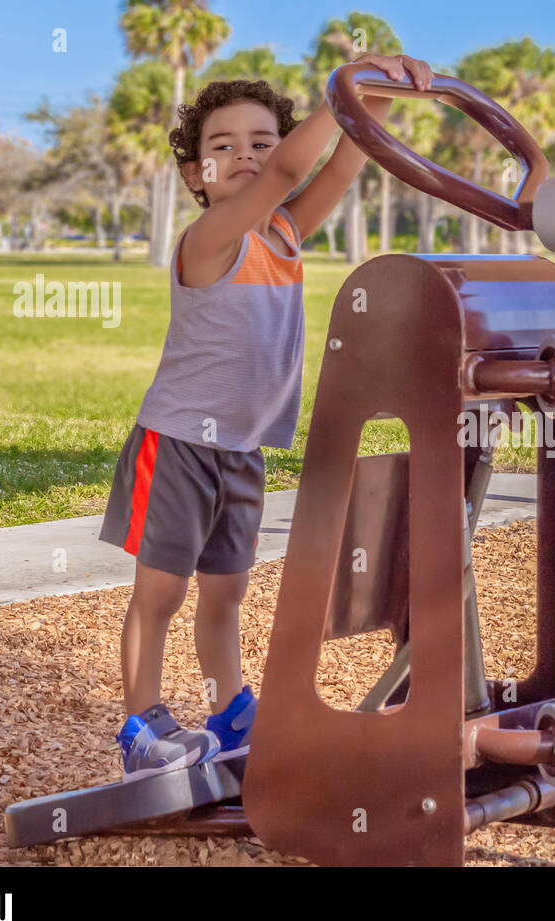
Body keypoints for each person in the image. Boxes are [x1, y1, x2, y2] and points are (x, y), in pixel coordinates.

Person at [97, 53, 434, 780]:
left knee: (227, 592)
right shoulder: (209, 239)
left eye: (260, 140)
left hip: (241, 449)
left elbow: (340, 169)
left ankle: (229, 711)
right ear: (195, 175)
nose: (246, 157)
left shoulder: (281, 234)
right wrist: (338, 87)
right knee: (160, 593)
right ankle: (140, 728)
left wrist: (372, 97)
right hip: (180, 440)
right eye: (223, 147)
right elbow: (288, 172)